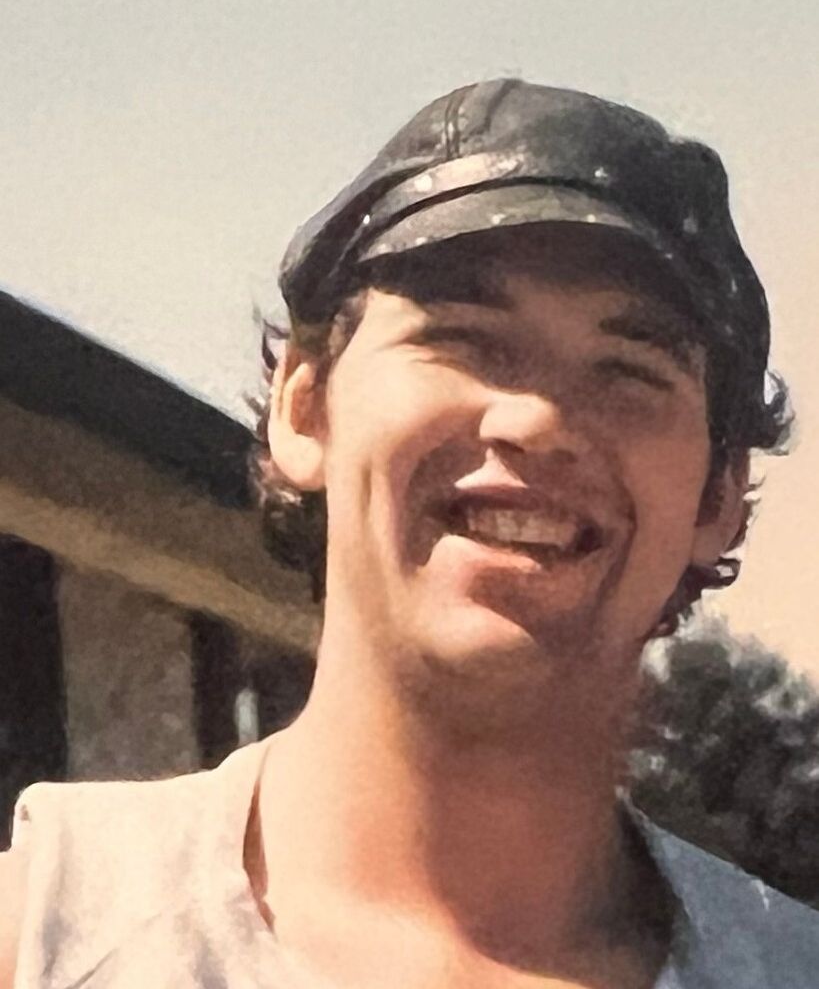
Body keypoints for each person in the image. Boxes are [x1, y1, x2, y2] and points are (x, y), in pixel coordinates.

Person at [1, 78, 816, 988]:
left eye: (629, 370)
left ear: (716, 497)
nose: (536, 422)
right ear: (306, 407)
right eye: (461, 339)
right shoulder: (42, 941)